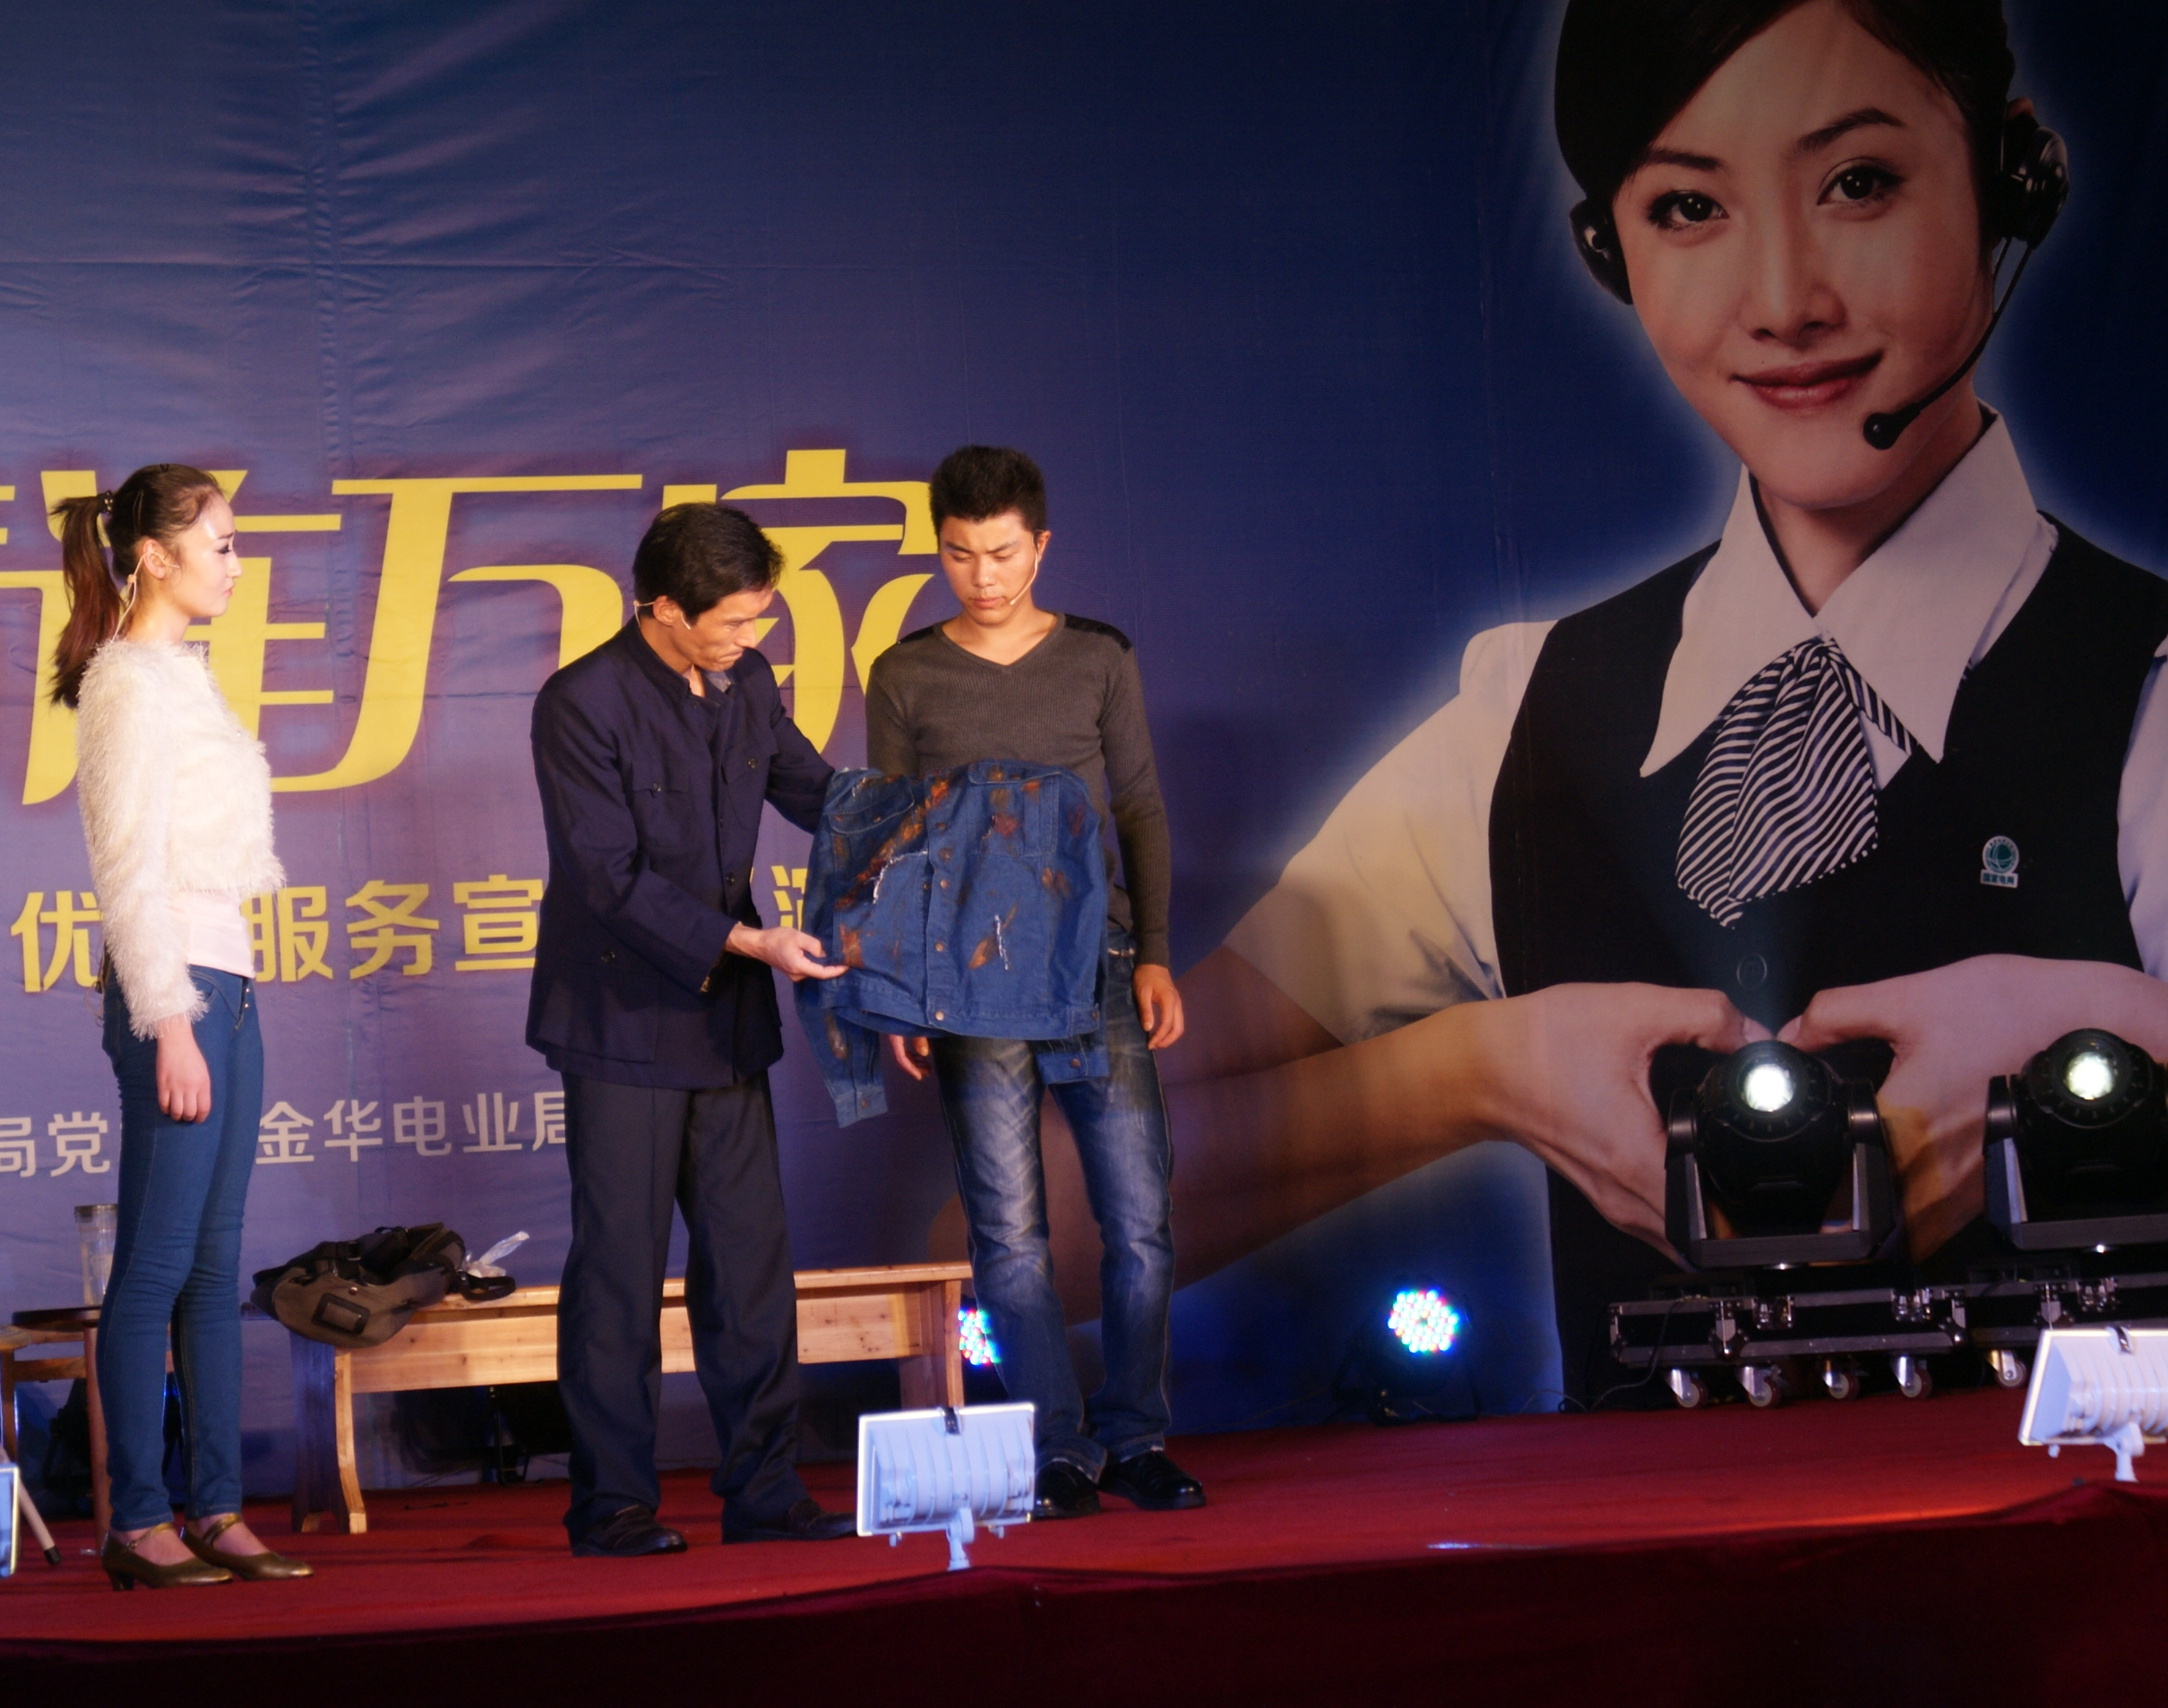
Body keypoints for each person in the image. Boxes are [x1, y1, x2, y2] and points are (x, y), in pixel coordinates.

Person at [1154, 0, 2168, 1396]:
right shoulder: (1524, 727)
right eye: (1690, 207)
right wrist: (1471, 1072)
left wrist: (2109, 1037)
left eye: (1858, 182)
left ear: (2012, 177)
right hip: (1657, 1538)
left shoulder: (2147, 692)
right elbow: (1037, 1207)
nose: (1785, 299)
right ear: (1608, 250)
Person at [867, 447, 1204, 1518]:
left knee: (1139, 1220)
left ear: (1040, 545)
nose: (984, 576)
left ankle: (1136, 1433)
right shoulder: (905, 673)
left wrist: (1155, 950)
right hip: (968, 982)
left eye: (1004, 553)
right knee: (1008, 1233)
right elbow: (891, 838)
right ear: (938, 550)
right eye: (961, 554)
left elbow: (1138, 806)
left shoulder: (1097, 656)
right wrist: (899, 980)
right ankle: (1058, 1446)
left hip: (1097, 965)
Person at [528, 501, 857, 1556]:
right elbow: (608, 878)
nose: (752, 638)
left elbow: (816, 791)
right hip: (621, 1018)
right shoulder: (580, 702)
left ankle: (765, 1489)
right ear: (665, 608)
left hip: (725, 1022)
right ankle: (612, 1504)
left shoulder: (748, 681)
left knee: (749, 1265)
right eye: (735, 621)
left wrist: (924, 820)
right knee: (620, 1270)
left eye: (761, 618)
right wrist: (750, 941)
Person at [56, 464, 311, 1588]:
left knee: (214, 1263)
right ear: (155, 556)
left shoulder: (181, 676)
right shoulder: (125, 682)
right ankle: (138, 1518)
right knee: (155, 1264)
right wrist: (168, 1021)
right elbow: (125, 871)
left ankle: (215, 1507)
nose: (237, 563)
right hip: (175, 990)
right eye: (220, 543)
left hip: (229, 979)